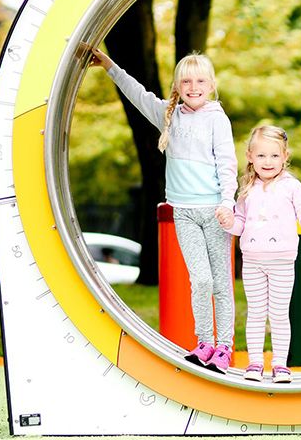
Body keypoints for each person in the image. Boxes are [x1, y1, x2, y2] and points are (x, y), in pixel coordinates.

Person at [90, 47, 237, 374]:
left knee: (221, 284)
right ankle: (204, 343)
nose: (193, 86)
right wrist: (109, 65)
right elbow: (136, 94)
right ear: (176, 86)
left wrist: (228, 202)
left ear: (211, 85)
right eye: (186, 81)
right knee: (200, 281)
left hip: (214, 212)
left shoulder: (217, 118)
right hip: (183, 213)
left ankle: (224, 348)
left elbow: (228, 164)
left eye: (200, 80)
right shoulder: (168, 114)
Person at [219, 125, 301, 383]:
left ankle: (280, 364)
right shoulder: (246, 189)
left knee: (280, 314)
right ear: (250, 156)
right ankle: (255, 363)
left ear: (285, 157)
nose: (268, 161)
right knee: (256, 313)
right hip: (252, 262)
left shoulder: (292, 187)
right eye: (261, 156)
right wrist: (227, 222)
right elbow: (240, 224)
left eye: (274, 156)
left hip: (282, 262)